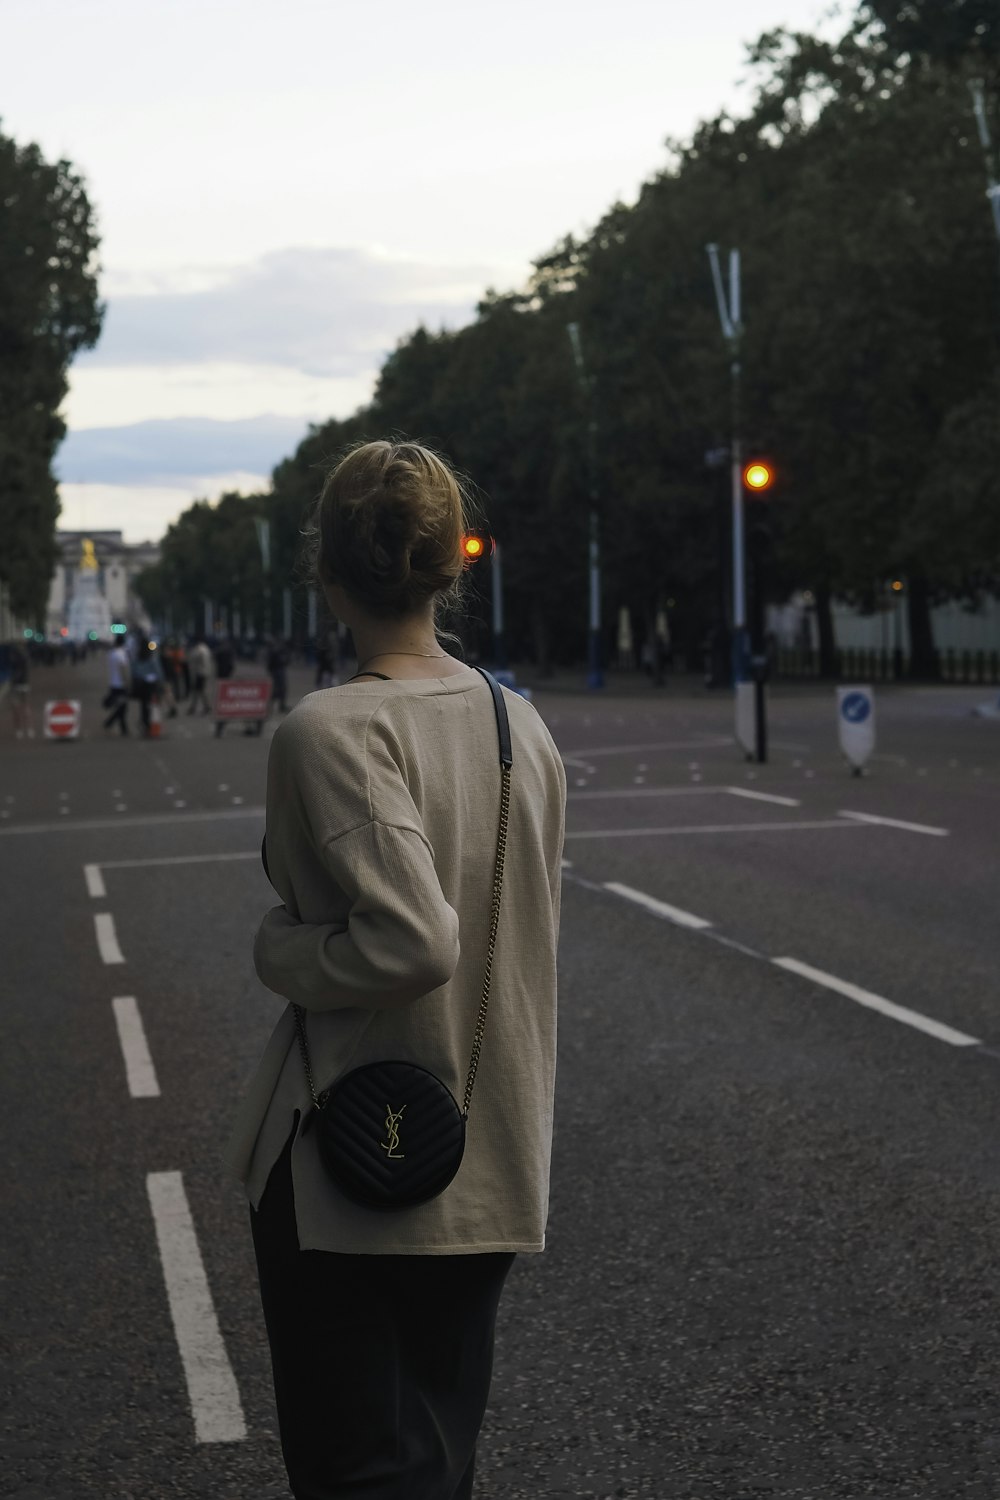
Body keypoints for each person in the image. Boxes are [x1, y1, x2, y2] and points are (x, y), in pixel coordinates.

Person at [225, 439, 566, 1500]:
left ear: (325, 569)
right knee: (434, 1459)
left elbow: (413, 941)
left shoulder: (329, 729)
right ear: (449, 565)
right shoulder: (523, 727)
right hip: (487, 1137)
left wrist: (280, 950)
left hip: (350, 1153)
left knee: (358, 1473)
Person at [103, 637, 132, 735]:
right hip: (121, 685)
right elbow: (123, 669)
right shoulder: (121, 654)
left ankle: (119, 727)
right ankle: (111, 723)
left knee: (121, 707)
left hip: (113, 683)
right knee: (123, 707)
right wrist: (127, 683)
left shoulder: (111, 653)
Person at [7, 642, 35, 739]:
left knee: (16, 709)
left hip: (16, 685)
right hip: (25, 684)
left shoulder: (13, 658)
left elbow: (13, 671)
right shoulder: (25, 658)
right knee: (26, 708)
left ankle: (19, 730)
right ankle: (30, 729)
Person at [186, 637, 213, 714]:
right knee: (199, 690)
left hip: (200, 672)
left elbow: (193, 658)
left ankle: (205, 706)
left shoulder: (199, 649)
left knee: (200, 690)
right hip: (204, 672)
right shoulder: (206, 649)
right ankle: (195, 707)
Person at [267, 635, 291, 714]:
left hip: (280, 670)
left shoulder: (280, 650)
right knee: (277, 689)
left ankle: (280, 705)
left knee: (282, 689)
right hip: (276, 670)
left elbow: (287, 659)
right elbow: (270, 663)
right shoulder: (275, 650)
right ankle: (273, 705)